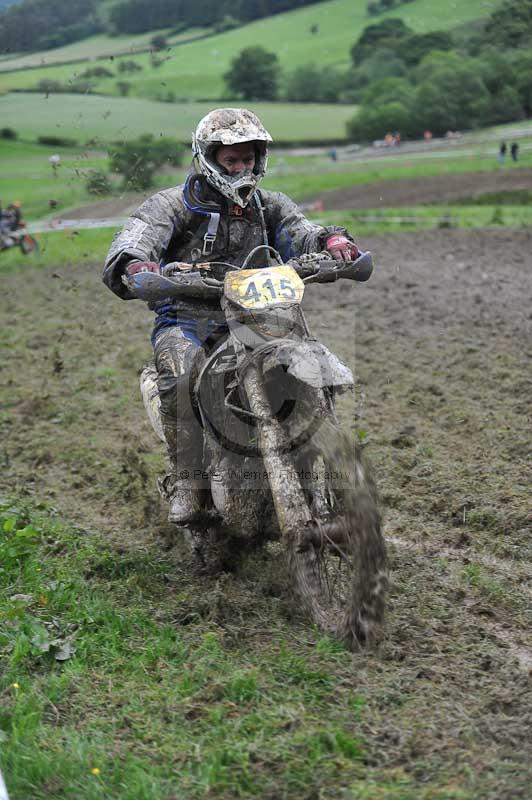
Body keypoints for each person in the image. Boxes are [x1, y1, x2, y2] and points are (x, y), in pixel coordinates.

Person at [103, 108, 360, 525]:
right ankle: (188, 481)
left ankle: (333, 471)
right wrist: (136, 265)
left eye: (247, 159)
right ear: (208, 158)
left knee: (312, 361)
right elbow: (137, 238)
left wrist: (332, 241)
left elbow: (300, 230)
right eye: (230, 161)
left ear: (258, 159)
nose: (241, 168)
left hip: (261, 317)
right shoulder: (172, 205)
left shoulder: (270, 206)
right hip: (188, 317)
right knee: (182, 372)